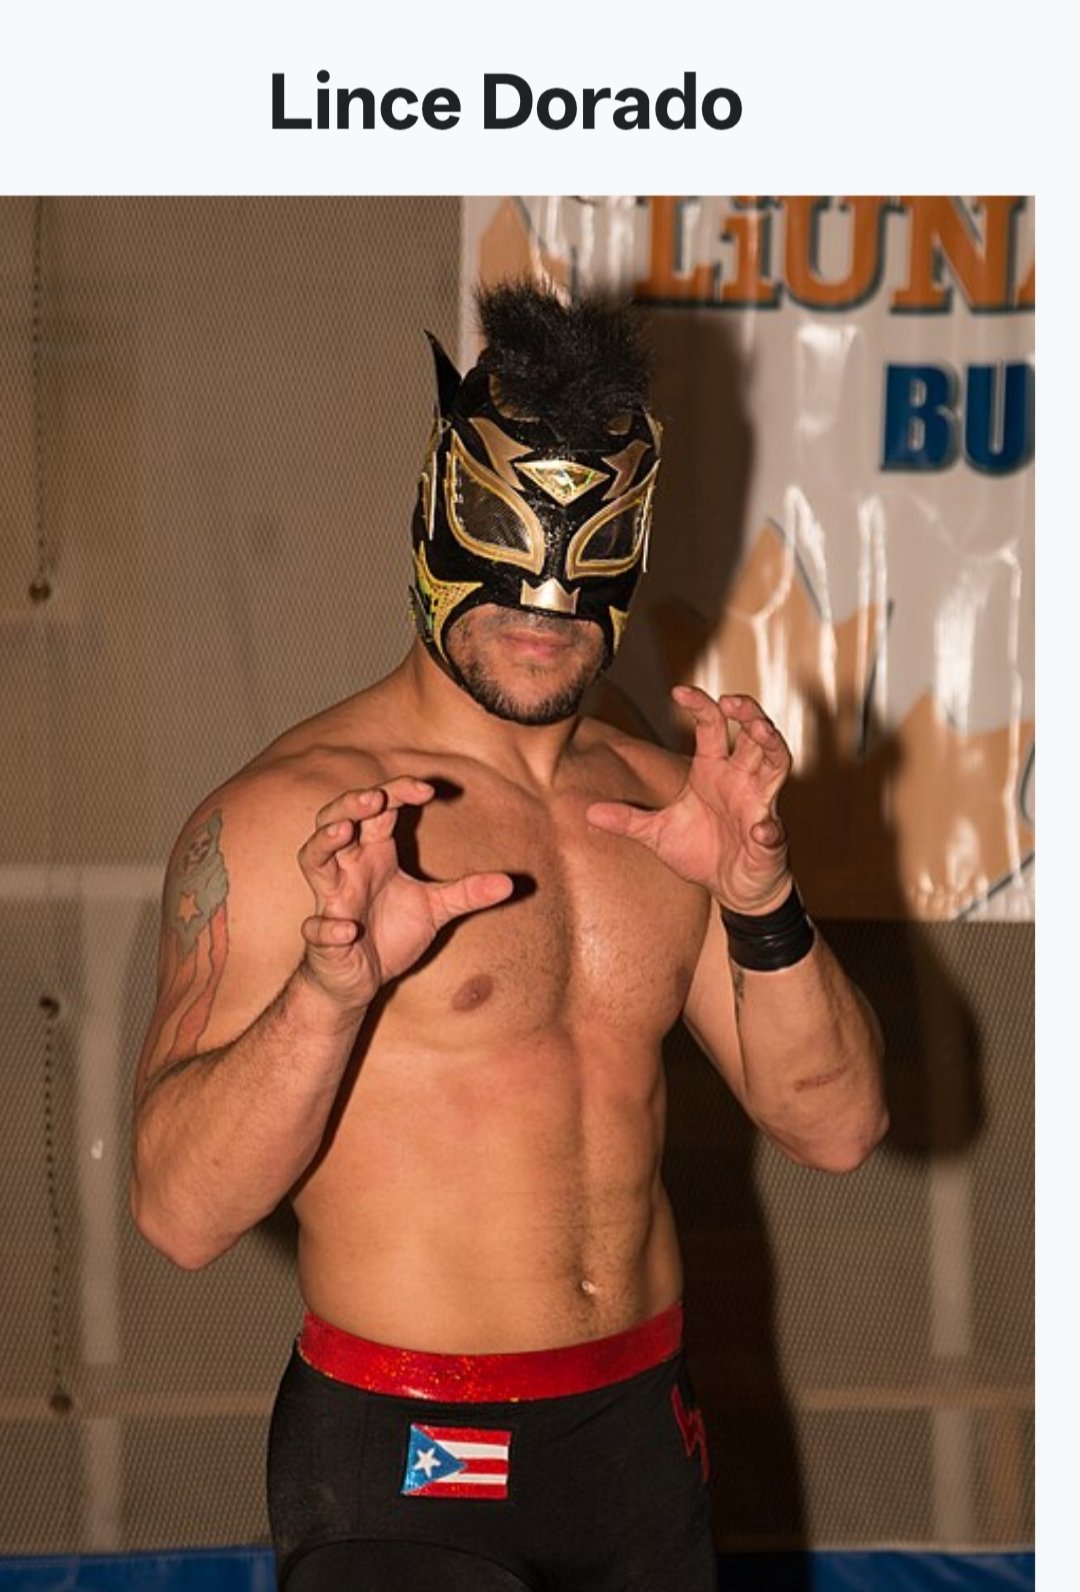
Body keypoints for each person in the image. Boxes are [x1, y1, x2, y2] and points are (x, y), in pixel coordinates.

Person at [131, 281, 887, 1591]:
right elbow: (178, 1215)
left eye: (583, 562)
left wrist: (760, 897)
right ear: (437, 510)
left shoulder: (663, 801)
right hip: (405, 1459)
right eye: (504, 539)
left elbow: (836, 1128)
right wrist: (327, 992)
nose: (542, 602)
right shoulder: (286, 820)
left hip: (641, 1435)